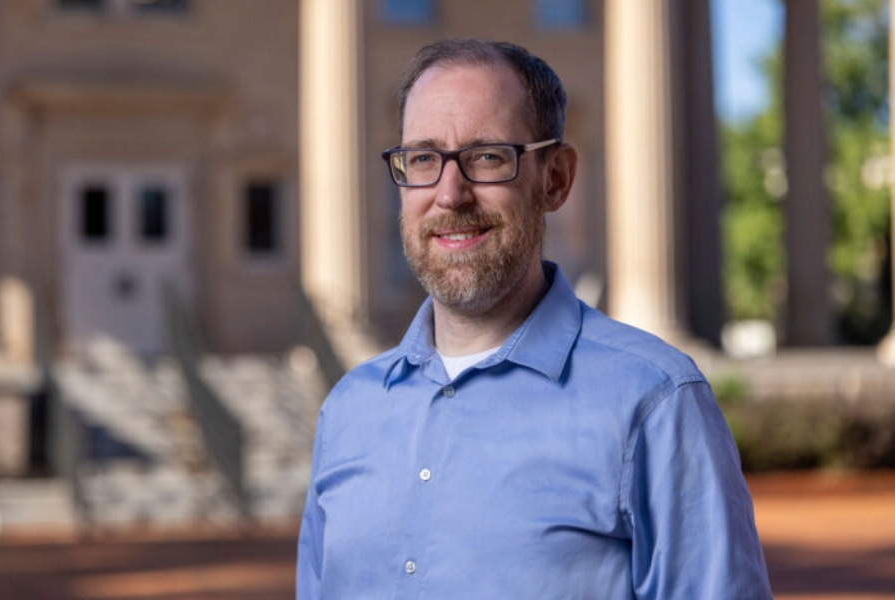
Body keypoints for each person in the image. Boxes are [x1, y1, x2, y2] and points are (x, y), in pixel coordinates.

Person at [296, 38, 772, 599]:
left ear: (555, 179)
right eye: (423, 158)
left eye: (488, 157)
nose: (450, 193)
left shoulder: (655, 403)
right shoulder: (350, 411)